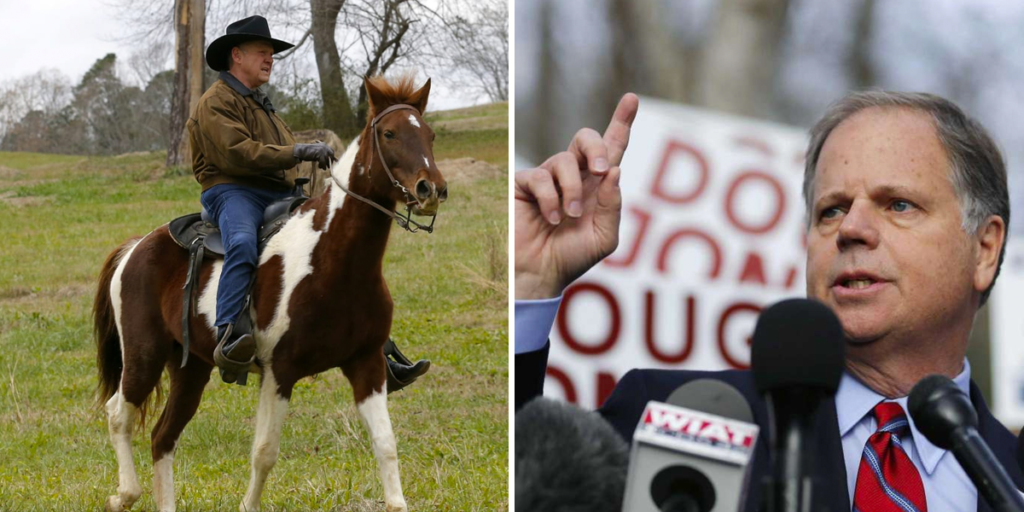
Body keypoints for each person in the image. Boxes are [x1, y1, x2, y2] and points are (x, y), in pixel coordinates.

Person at [514, 91, 1024, 511]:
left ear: (984, 249)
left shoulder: (1012, 476)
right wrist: (528, 284)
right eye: (831, 210)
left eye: (899, 205)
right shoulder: (672, 420)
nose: (850, 229)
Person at [190, 15, 429, 390]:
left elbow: (274, 151)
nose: (270, 59)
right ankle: (229, 335)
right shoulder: (215, 102)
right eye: (262, 53)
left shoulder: (261, 104)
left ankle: (375, 347)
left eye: (271, 54)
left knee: (334, 247)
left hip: (275, 193)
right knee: (241, 242)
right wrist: (297, 150)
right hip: (232, 190)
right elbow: (239, 153)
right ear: (237, 55)